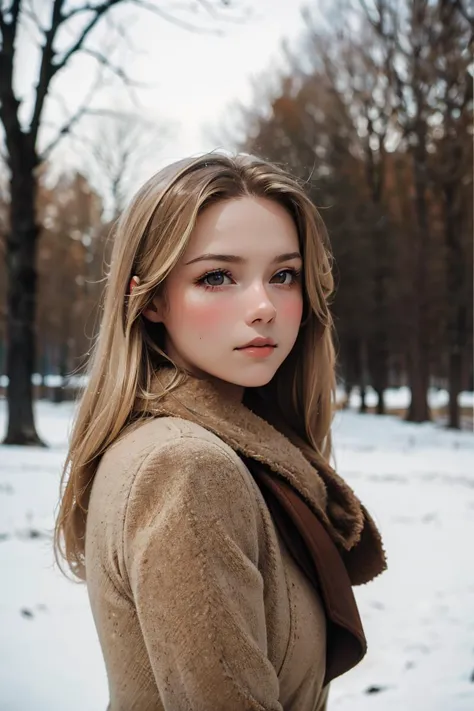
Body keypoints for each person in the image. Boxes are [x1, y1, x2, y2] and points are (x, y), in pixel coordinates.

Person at [54, 152, 387, 711]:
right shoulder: (185, 468)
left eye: (284, 275)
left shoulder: (212, 448)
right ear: (151, 298)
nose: (263, 307)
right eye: (217, 276)